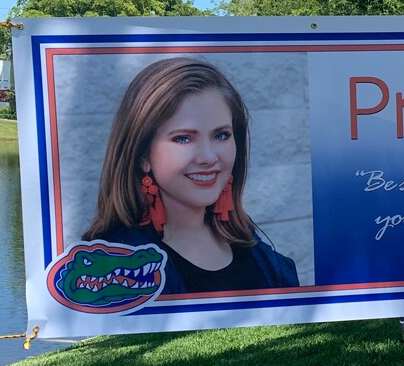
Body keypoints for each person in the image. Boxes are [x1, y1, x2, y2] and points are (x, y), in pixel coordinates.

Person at [82, 56, 299, 293]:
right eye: (183, 138)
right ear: (143, 155)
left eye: (221, 136)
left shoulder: (255, 247)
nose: (208, 157)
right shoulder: (110, 266)